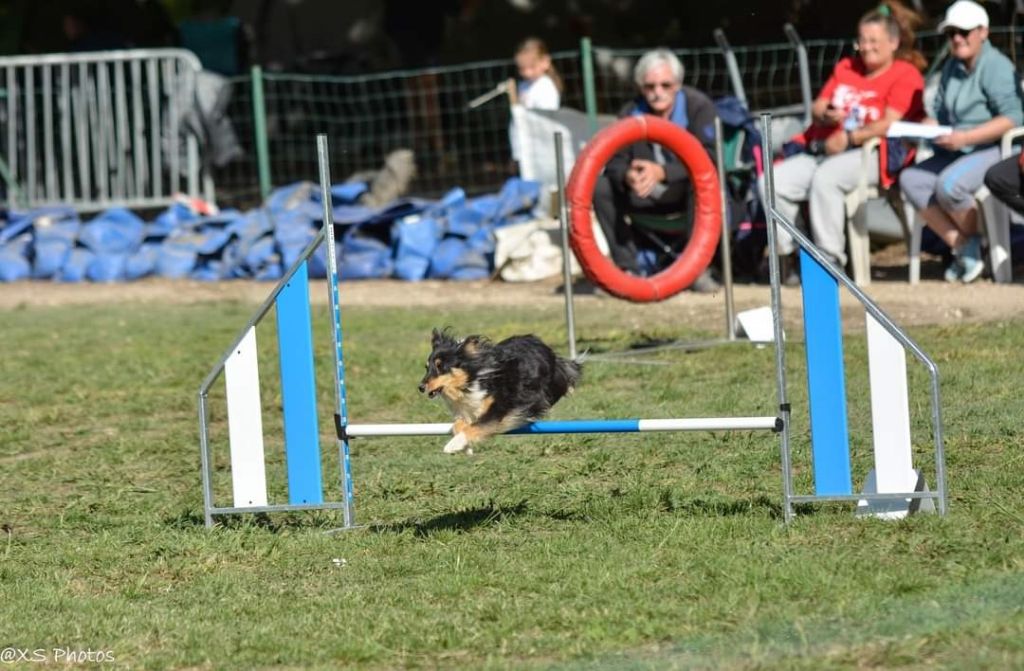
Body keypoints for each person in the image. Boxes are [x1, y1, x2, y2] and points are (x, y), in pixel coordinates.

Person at [762, 0, 926, 282]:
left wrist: (851, 137)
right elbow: (818, 106)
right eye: (862, 40)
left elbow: (890, 122)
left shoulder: (905, 74)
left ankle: (830, 263)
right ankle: (789, 255)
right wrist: (825, 115)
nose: (866, 46)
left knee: (827, 178)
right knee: (772, 180)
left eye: (874, 40)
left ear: (893, 42)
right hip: (826, 148)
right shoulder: (846, 67)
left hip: (874, 154)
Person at [899, 0, 1024, 283]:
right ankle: (964, 246)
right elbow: (943, 113)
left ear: (983, 32)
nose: (957, 38)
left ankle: (990, 244)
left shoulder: (996, 66)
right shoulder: (951, 68)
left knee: (949, 185)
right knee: (911, 179)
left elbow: (1013, 118)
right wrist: (930, 127)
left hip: (994, 147)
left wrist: (966, 137)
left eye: (963, 32)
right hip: (956, 148)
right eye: (951, 32)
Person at [592, 48, 718, 282]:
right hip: (642, 192)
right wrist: (627, 175)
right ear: (641, 87)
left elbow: (712, 159)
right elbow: (614, 163)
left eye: (665, 85)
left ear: (678, 84)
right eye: (650, 87)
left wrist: (663, 172)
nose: (657, 93)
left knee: (702, 184)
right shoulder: (630, 113)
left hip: (684, 192)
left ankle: (698, 269)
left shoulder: (698, 108)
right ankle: (628, 269)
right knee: (600, 186)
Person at [515, 38, 562, 110]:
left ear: (545, 62)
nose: (528, 73)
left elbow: (546, 116)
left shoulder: (546, 88)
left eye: (532, 66)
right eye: (522, 68)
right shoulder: (524, 85)